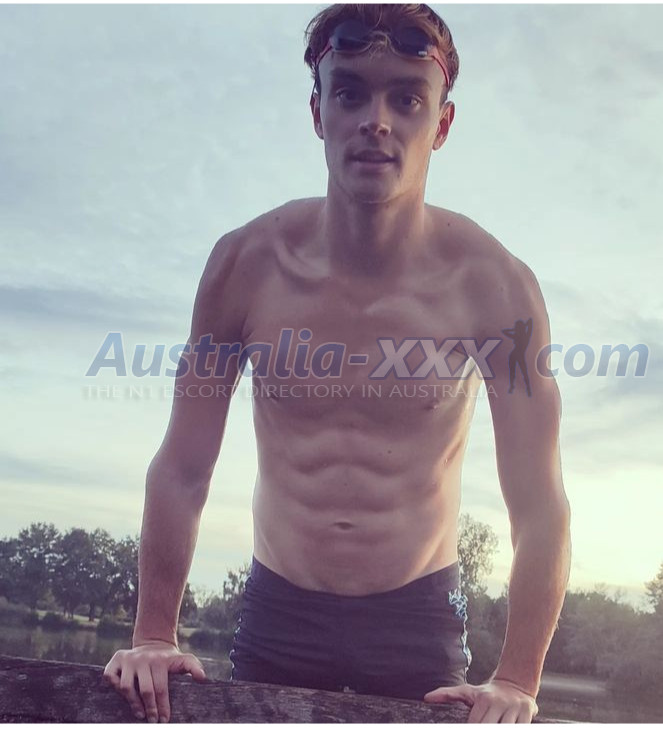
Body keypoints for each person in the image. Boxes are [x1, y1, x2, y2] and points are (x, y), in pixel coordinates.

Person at [103, 3, 571, 724]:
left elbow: (538, 504)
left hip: (417, 615)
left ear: (441, 124)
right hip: (280, 607)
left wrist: (517, 678)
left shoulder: (494, 286)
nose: (376, 121)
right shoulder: (244, 265)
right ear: (319, 112)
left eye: (407, 99)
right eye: (350, 91)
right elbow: (183, 466)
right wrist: (153, 636)